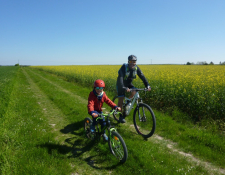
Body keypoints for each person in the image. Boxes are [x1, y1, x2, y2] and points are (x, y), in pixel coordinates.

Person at [116, 55, 151, 123]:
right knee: (121, 99)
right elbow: (120, 78)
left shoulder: (136, 68)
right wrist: (124, 87)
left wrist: (148, 86)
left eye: (134, 61)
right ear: (128, 61)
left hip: (129, 84)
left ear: (135, 62)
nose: (132, 63)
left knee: (135, 91)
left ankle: (128, 101)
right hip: (121, 85)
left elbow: (142, 77)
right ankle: (120, 116)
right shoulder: (124, 68)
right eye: (131, 61)